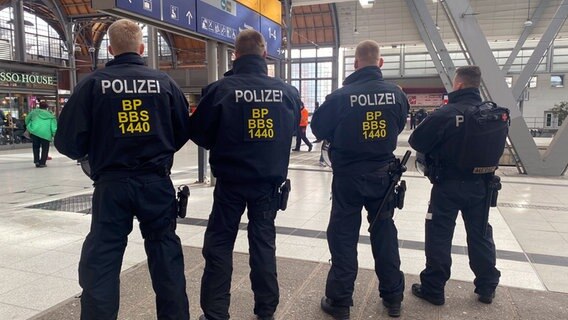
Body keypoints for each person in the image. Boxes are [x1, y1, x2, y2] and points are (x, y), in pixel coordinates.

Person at [54, 19, 191, 320]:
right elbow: (182, 131)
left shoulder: (91, 84)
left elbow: (66, 141)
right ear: (141, 48)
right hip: (156, 183)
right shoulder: (165, 83)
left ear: (112, 48)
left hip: (111, 185)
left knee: (102, 259)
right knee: (166, 255)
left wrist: (94, 150)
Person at [189, 29, 301, 320]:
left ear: (235, 55)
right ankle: (266, 310)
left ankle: (215, 313)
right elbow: (290, 131)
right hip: (268, 186)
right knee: (263, 244)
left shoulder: (219, 90)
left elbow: (199, 133)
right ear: (264, 54)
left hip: (230, 184)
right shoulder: (287, 92)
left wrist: (224, 141)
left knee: (219, 246)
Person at [311, 40, 409, 318]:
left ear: (355, 64)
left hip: (348, 177)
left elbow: (318, 129)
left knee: (343, 236)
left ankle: (340, 302)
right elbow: (399, 124)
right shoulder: (396, 94)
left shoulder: (341, 97)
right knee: (385, 233)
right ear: (380, 63)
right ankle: (393, 298)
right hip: (384, 175)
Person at [408, 65, 501, 306]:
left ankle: (434, 288)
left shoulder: (446, 113)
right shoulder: (492, 114)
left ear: (458, 84)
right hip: (482, 185)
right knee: (480, 235)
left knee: (439, 235)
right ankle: (487, 286)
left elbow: (416, 140)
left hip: (447, 185)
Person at [25, 101, 57, 167]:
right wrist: (54, 134)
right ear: (47, 108)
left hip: (35, 132)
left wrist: (29, 125)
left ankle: (36, 161)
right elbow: (53, 127)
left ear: (39, 106)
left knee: (36, 147)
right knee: (45, 148)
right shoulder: (51, 116)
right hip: (46, 134)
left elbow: (27, 119)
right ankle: (42, 163)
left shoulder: (34, 112)